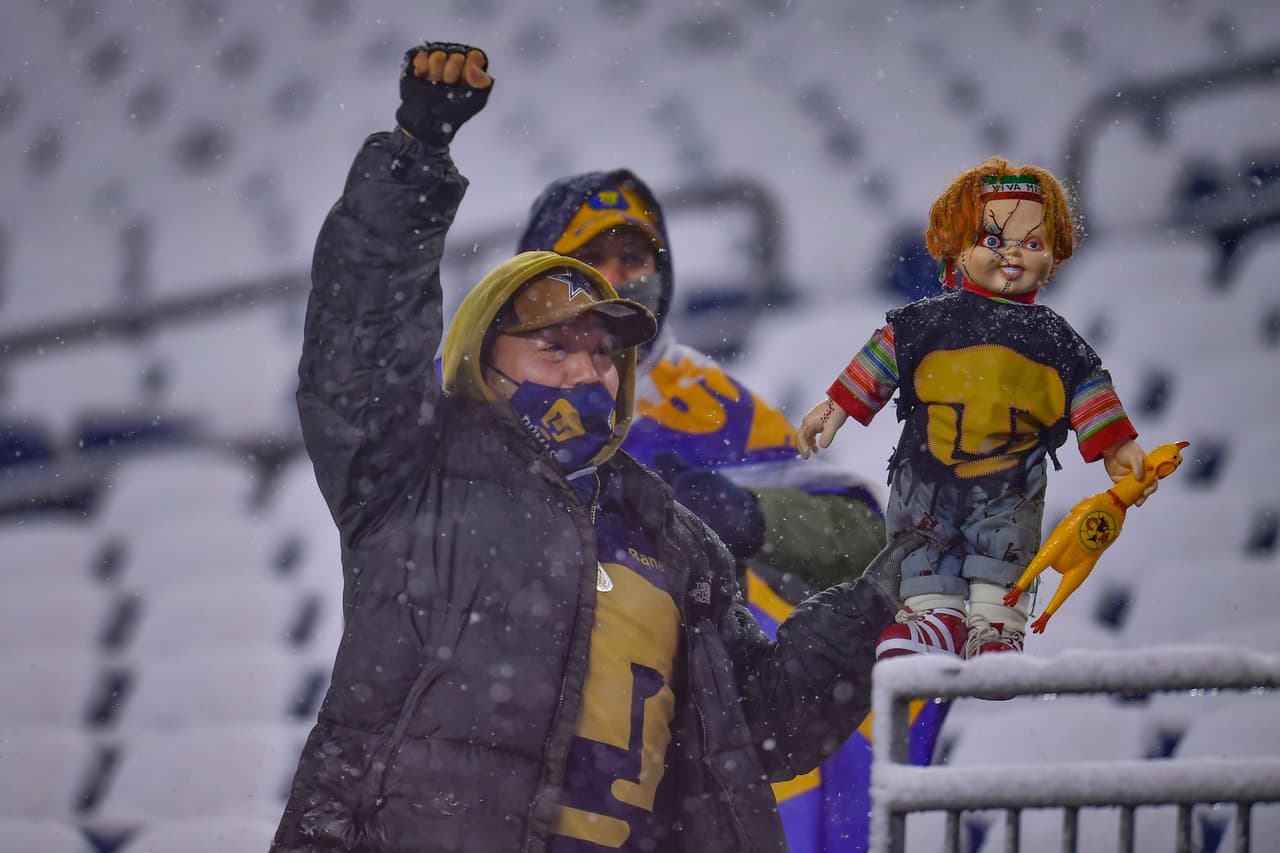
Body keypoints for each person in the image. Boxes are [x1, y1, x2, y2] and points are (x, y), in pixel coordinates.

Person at [271, 41, 913, 853]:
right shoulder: (412, 473)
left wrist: (877, 604)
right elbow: (358, 340)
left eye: (604, 353)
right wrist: (416, 155)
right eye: (554, 346)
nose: (585, 371)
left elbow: (759, 728)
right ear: (482, 357)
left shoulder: (675, 536)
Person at [516, 170, 915, 852]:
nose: (616, 274)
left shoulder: (707, 401)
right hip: (511, 719)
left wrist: (747, 512)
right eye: (592, 255)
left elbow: (860, 534)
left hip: (674, 742)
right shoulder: (473, 381)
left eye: (635, 256)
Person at [795, 158, 1156, 662]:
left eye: (1033, 243)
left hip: (1012, 475)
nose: (1012, 253)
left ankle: (996, 629)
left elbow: (1088, 389)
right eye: (992, 240)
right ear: (956, 247)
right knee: (921, 543)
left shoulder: (1055, 339)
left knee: (1005, 546)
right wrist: (834, 407)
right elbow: (879, 361)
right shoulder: (924, 323)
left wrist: (1117, 445)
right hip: (926, 470)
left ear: (1055, 254)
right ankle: (932, 620)